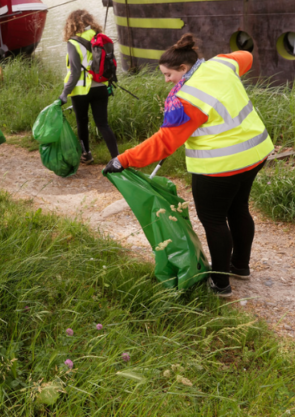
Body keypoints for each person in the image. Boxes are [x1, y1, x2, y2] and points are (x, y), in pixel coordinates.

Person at [102, 34, 273, 297]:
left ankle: (220, 284)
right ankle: (240, 267)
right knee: (238, 209)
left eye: (168, 74)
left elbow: (164, 143)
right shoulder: (221, 64)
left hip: (220, 166)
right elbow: (246, 57)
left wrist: (122, 159)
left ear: (183, 68)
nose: (166, 80)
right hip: (255, 154)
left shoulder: (187, 97)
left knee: (214, 221)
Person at [58, 9, 119, 164]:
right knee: (103, 123)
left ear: (71, 24)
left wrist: (65, 93)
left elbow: (75, 72)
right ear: (90, 21)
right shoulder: (100, 38)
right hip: (101, 87)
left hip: (81, 91)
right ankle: (117, 158)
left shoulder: (73, 42)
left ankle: (86, 155)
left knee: (82, 122)